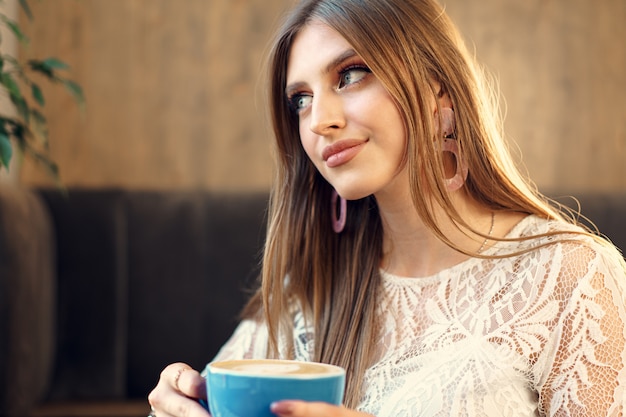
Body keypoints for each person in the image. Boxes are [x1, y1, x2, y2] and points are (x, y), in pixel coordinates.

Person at [147, 0, 626, 415]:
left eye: (350, 75)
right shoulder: (308, 290)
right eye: (301, 100)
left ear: (438, 88)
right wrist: (177, 403)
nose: (320, 122)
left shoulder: (572, 274)